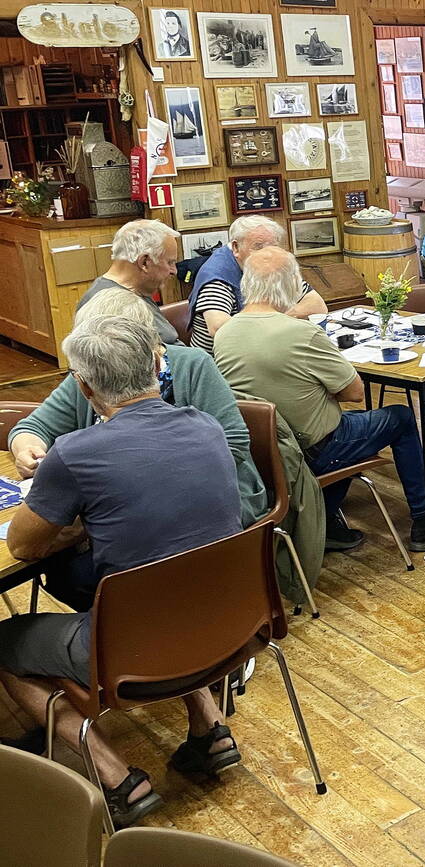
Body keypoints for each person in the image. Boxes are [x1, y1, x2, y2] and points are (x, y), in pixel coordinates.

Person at [0, 315, 244, 829]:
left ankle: (120, 780)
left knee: (4, 643)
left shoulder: (74, 452)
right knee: (105, 585)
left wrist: (74, 525)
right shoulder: (206, 426)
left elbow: (22, 547)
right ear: (159, 364)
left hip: (139, 645)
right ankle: (210, 725)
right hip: (227, 627)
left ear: (85, 387)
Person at [214, 246, 425, 553]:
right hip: (314, 448)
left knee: (346, 426)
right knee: (400, 418)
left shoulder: (225, 333)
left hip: (262, 451)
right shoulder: (301, 332)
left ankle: (325, 519)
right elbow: (354, 393)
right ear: (290, 285)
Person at [10, 287, 266, 528]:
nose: (103, 359)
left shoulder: (193, 365)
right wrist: (27, 448)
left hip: (212, 498)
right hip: (119, 505)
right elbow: (34, 426)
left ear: (149, 345)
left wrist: (142, 484)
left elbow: (233, 441)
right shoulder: (89, 372)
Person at [187, 215, 327, 353]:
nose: (266, 253)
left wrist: (278, 321)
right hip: (221, 363)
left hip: (259, 350)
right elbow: (219, 328)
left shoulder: (270, 264)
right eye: (258, 247)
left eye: (272, 246)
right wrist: (274, 324)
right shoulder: (217, 277)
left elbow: (317, 305)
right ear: (236, 247)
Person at [76, 219, 181, 345]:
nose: (174, 271)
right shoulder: (110, 306)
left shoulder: (136, 289)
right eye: (170, 262)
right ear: (144, 262)